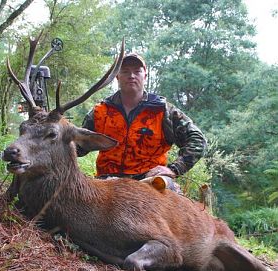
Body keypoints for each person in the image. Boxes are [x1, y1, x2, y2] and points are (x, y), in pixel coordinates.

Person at [79, 53, 207, 188]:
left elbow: (197, 140)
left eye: (137, 71)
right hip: (107, 181)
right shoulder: (100, 111)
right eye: (125, 71)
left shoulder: (162, 111)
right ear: (117, 76)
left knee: (174, 202)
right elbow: (78, 146)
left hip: (150, 180)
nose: (131, 75)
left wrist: (174, 169)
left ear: (145, 75)